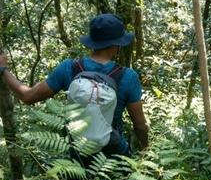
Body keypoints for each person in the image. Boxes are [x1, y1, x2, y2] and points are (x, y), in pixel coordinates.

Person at [0, 13, 149, 159]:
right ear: (116, 45)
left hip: (77, 157)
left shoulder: (68, 68)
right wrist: (145, 153)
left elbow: (27, 96)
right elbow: (140, 126)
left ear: (92, 42)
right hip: (114, 156)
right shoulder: (128, 77)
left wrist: (3, 69)